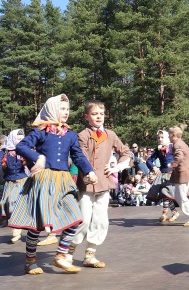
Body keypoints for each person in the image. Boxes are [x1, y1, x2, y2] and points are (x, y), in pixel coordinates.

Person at [8, 94, 98, 275]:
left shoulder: (71, 135)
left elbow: (78, 156)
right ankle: (30, 260)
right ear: (52, 110)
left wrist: (89, 170)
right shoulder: (40, 131)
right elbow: (21, 147)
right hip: (44, 181)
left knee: (75, 218)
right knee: (37, 225)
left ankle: (60, 255)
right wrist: (38, 157)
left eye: (68, 109)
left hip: (64, 181)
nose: (66, 112)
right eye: (62, 109)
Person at [68, 100, 130, 268]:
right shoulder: (82, 135)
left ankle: (90, 254)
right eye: (95, 114)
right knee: (83, 220)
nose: (99, 117)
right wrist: (89, 173)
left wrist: (115, 167)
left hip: (103, 183)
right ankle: (68, 252)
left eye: (101, 114)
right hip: (86, 184)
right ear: (86, 116)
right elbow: (81, 158)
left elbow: (125, 152)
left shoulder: (110, 134)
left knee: (101, 220)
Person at [0, 129, 30, 241]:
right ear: (12, 138)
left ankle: (17, 229)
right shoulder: (5, 152)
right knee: (6, 203)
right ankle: (16, 227)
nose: (20, 141)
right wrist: (3, 166)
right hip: (9, 182)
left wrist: (26, 162)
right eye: (18, 139)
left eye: (22, 139)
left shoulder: (24, 151)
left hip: (21, 180)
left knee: (15, 202)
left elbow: (32, 163)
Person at [169, 125, 189, 227]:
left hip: (182, 174)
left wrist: (172, 165)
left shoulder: (177, 144)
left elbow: (179, 156)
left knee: (181, 197)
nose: (169, 136)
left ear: (173, 135)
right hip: (186, 172)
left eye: (169, 134)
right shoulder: (183, 143)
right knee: (180, 196)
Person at [146, 130, 179, 222]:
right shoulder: (158, 149)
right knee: (165, 193)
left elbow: (179, 157)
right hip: (163, 175)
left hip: (173, 174)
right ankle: (174, 212)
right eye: (158, 138)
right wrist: (154, 168)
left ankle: (165, 213)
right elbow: (148, 161)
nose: (160, 139)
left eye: (162, 137)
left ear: (167, 138)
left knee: (166, 193)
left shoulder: (173, 147)